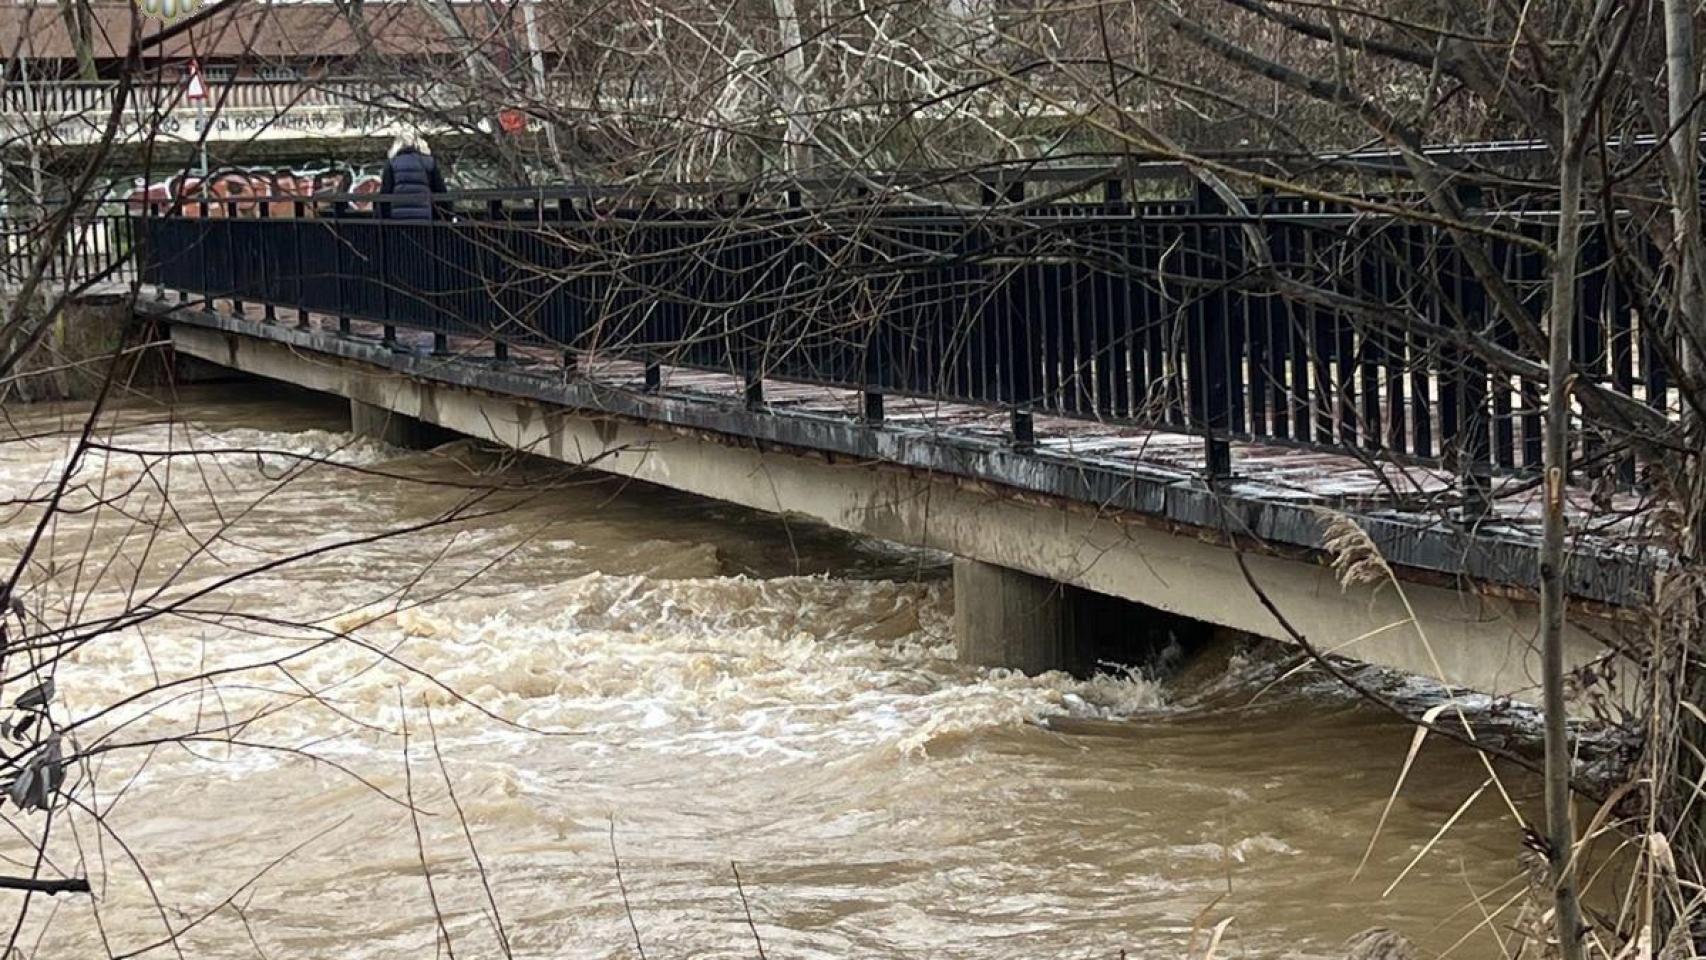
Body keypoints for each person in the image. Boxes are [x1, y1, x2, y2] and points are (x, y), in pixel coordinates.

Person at [379, 133, 447, 220]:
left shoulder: (392, 164)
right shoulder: (428, 162)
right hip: (425, 219)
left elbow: (385, 193)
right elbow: (440, 191)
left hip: (398, 219)